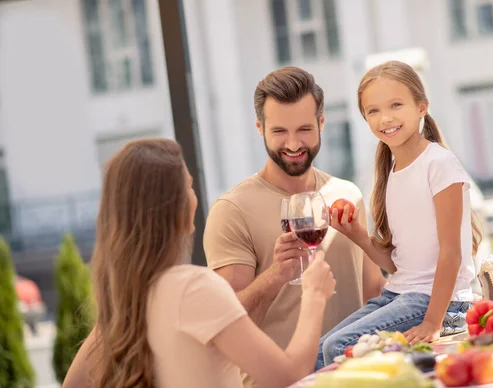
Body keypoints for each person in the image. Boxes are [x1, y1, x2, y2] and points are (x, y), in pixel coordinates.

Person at [61, 138, 336, 388]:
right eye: (189, 186)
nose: (193, 196)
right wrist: (314, 295)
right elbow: (288, 374)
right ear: (174, 205)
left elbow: (71, 385)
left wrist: (275, 275)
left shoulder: (125, 301)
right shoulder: (194, 288)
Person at [203, 66, 386, 387]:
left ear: (321, 123)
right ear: (259, 128)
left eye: (304, 129)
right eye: (279, 132)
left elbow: (373, 293)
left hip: (357, 378)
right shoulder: (232, 210)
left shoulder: (346, 195)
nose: (292, 143)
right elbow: (227, 327)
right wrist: (276, 275)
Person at [314, 60, 482, 369]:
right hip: (400, 293)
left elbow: (451, 255)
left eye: (395, 105)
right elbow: (396, 265)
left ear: (421, 107)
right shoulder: (391, 171)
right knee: (321, 348)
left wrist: (432, 322)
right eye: (373, 111)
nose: (385, 118)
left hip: (440, 304)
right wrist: (357, 235)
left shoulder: (439, 165)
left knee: (339, 346)